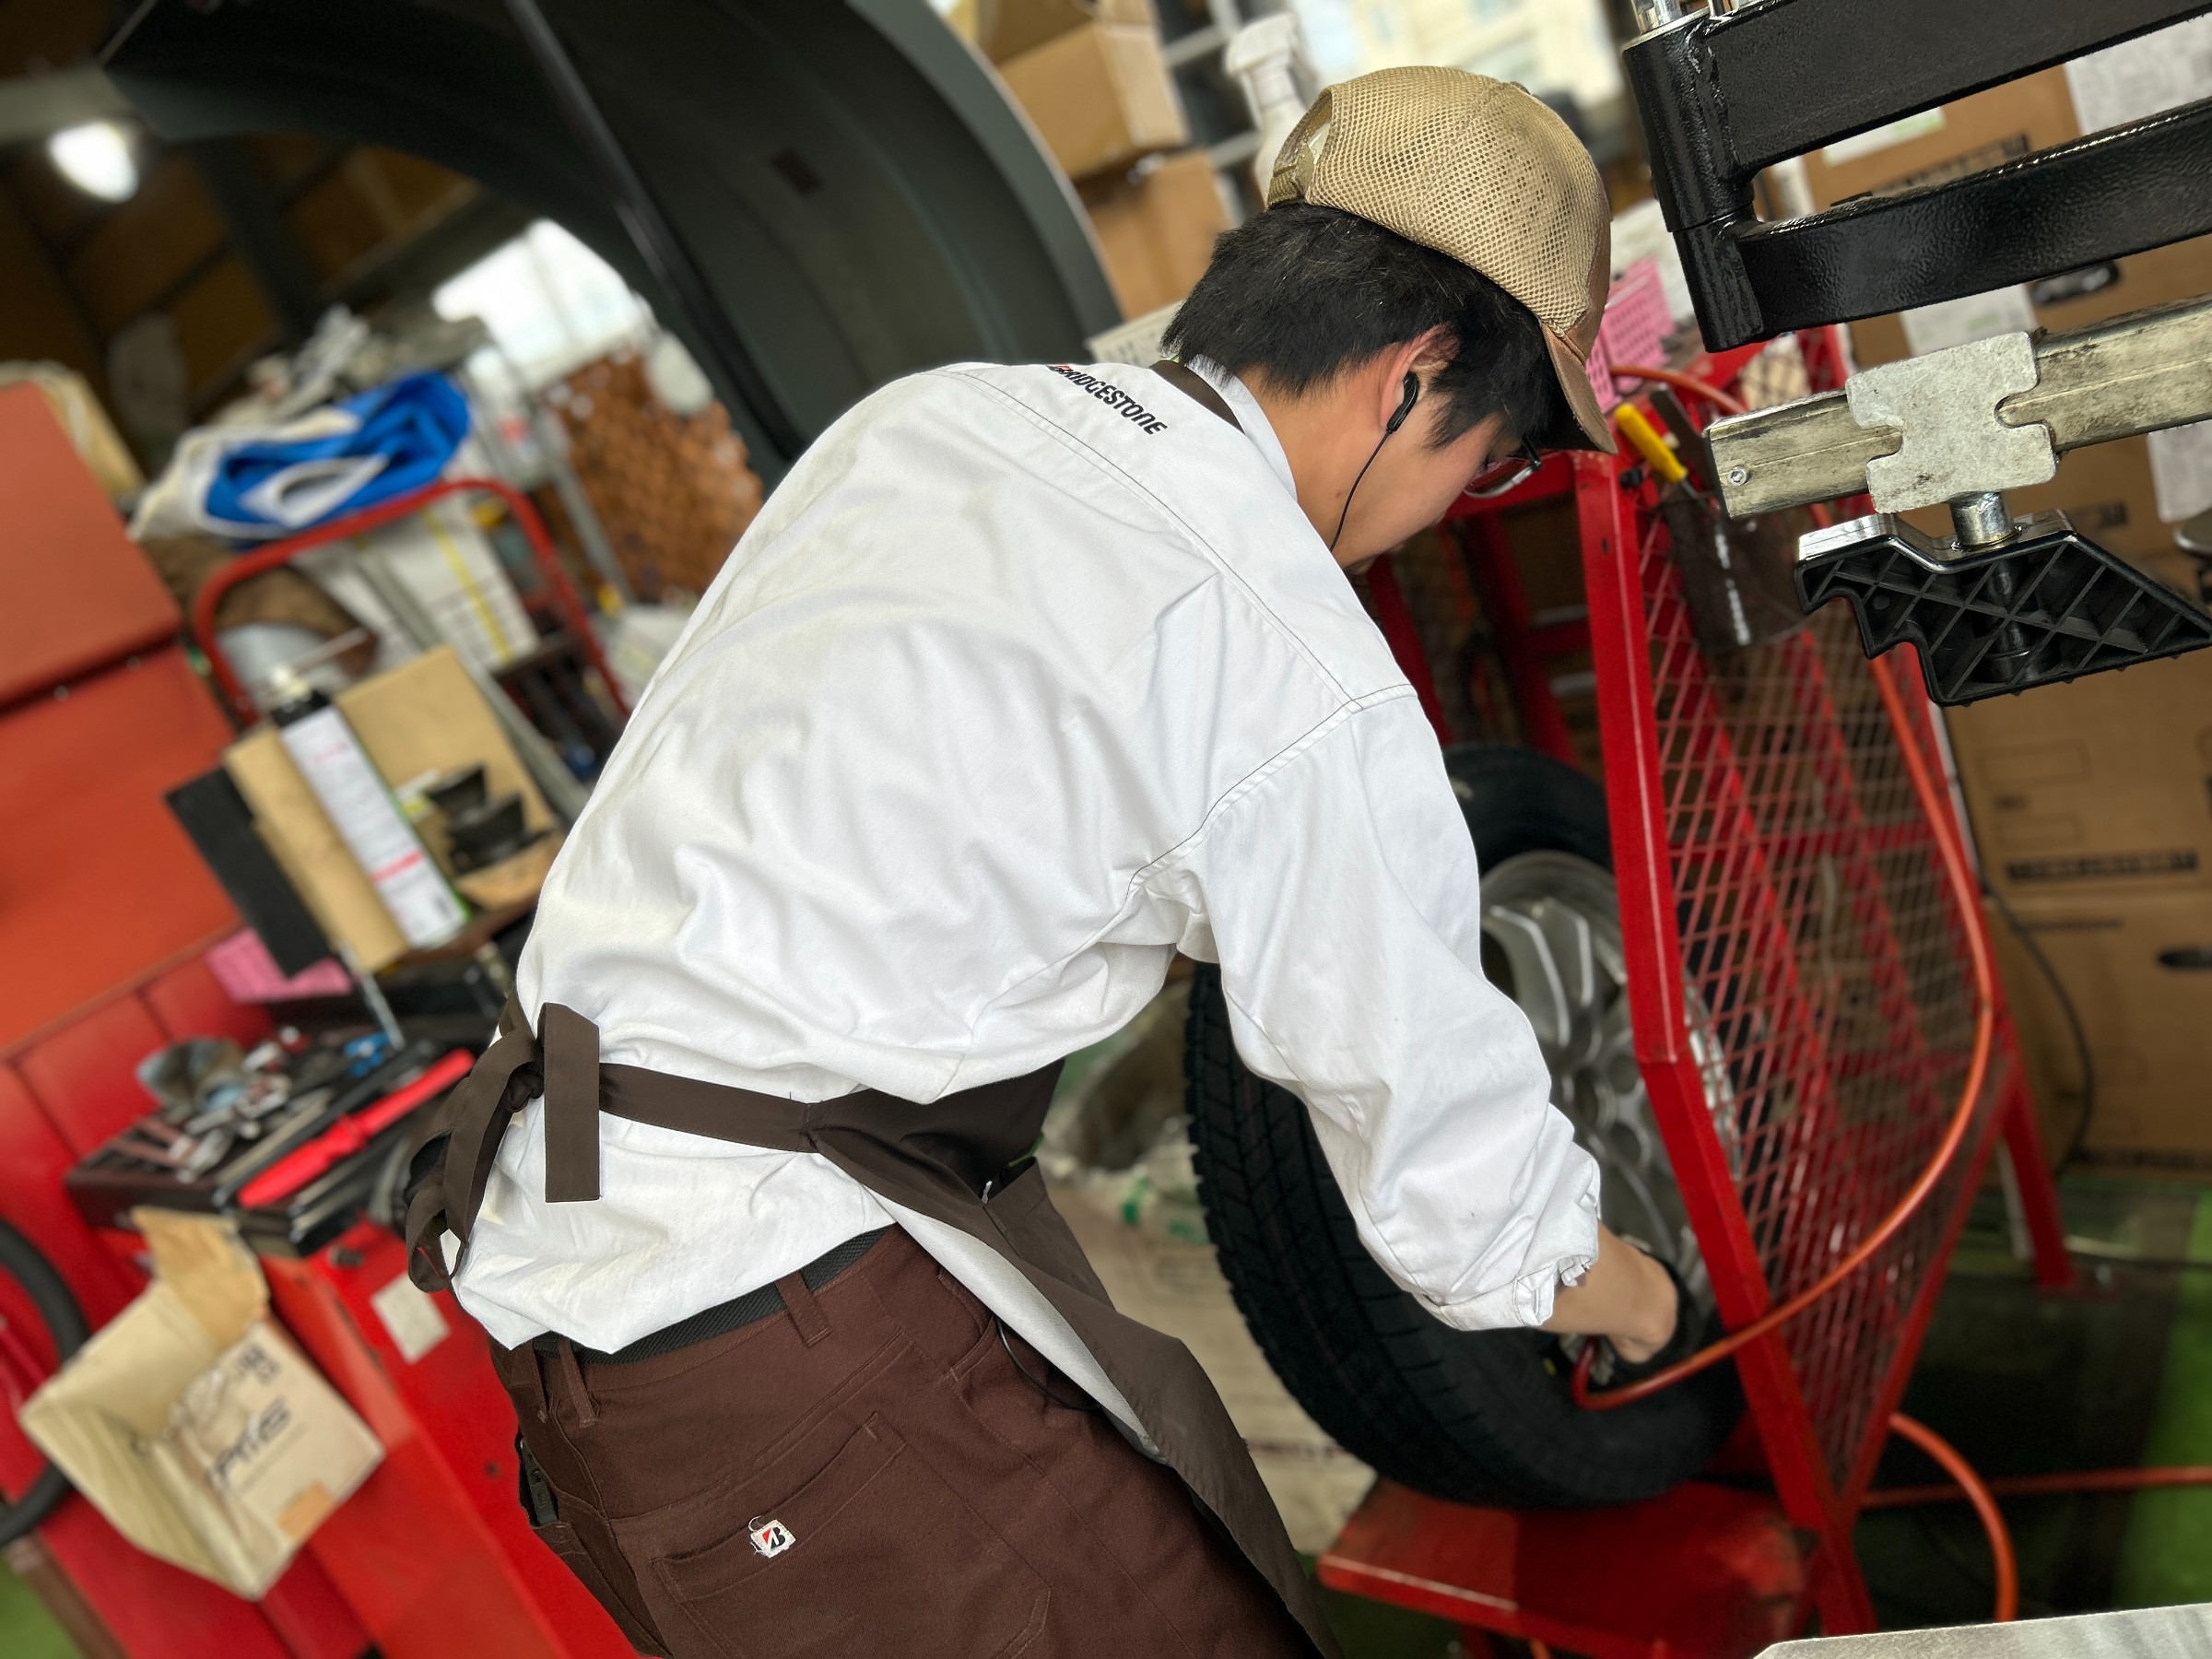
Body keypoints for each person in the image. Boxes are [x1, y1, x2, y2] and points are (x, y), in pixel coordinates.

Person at [406, 64, 1682, 1659]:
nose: (1444, 510)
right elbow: (1457, 1188)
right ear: (1412, 376)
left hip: (558, 1256)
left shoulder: (933, 418)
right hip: (769, 1333)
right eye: (1478, 461)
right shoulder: (1288, 656)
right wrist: (1639, 1295)